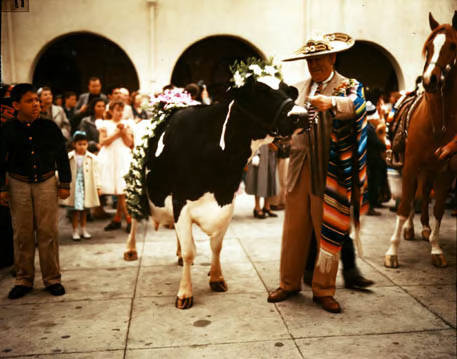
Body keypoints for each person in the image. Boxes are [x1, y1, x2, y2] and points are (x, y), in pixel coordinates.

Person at [267, 32, 372, 313]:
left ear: (332, 57)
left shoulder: (348, 85)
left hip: (330, 170)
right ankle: (288, 284)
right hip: (299, 167)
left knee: (327, 229)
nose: (314, 65)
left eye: (319, 59)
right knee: (293, 229)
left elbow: (360, 106)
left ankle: (324, 290)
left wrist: (333, 104)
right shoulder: (298, 87)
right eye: (310, 60)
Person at [0, 83, 71, 299]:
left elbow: (61, 155)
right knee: (22, 233)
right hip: (18, 184)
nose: (36, 105)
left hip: (47, 183)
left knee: (48, 232)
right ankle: (24, 279)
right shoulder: (7, 130)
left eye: (37, 101)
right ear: (16, 105)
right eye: (30, 101)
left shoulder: (49, 127)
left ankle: (52, 279)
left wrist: (64, 183)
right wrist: (2, 188)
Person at [96, 101, 134, 232]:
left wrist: (123, 133)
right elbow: (102, 142)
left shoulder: (126, 124)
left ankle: (120, 218)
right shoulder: (105, 124)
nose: (120, 113)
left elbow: (129, 143)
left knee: (122, 189)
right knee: (119, 191)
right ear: (111, 111)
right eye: (117, 110)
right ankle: (126, 218)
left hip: (122, 156)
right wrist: (117, 133)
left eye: (122, 110)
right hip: (110, 157)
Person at [60, 131, 101, 240]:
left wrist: (98, 186)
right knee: (75, 210)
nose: (82, 147)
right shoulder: (69, 157)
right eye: (79, 144)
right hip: (75, 185)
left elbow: (96, 173)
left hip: (85, 185)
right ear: (74, 144)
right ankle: (75, 230)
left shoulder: (92, 158)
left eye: (84, 144)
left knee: (84, 209)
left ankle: (83, 229)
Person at [245, 143, 279, 219]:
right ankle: (257, 207)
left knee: (270, 178)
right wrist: (256, 153)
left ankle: (267, 206)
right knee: (259, 178)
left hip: (271, 151)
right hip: (260, 149)